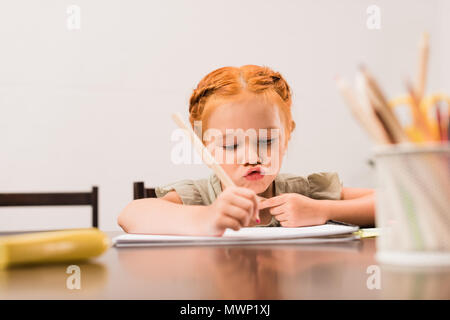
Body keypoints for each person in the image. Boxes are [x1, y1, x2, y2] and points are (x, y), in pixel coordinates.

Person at [118, 65, 375, 236]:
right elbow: (131, 215)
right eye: (231, 145)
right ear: (204, 147)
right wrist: (208, 216)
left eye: (267, 141)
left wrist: (323, 211)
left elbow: (390, 202)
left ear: (286, 138)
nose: (252, 157)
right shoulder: (199, 196)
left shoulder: (303, 191)